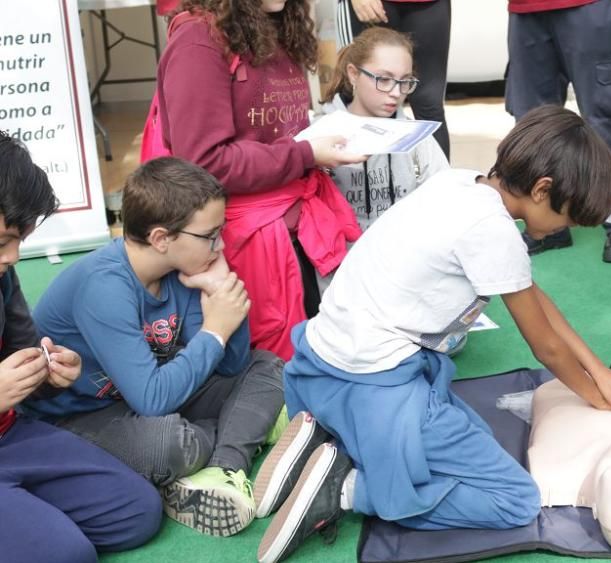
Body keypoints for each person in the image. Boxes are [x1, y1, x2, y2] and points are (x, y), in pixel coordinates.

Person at [251, 106, 611, 563]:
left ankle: (329, 445)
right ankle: (345, 488)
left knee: (473, 432)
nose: (566, 228)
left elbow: (530, 292)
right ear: (542, 189)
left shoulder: (460, 182)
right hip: (375, 386)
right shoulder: (494, 233)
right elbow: (545, 346)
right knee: (515, 499)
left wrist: (599, 371)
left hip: (321, 363)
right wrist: (596, 394)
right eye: (569, 218)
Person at [22, 158, 285, 537]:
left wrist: (221, 292)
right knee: (169, 445)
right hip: (80, 417)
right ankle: (240, 431)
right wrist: (214, 332)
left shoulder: (181, 269)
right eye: (210, 235)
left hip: (150, 395)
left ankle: (224, 467)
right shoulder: (105, 286)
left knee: (267, 367)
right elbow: (152, 400)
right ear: (162, 238)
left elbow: (232, 366)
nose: (221, 244)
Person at [156, 0, 365, 358]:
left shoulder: (278, 24)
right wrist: (305, 154)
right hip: (242, 240)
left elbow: (276, 133)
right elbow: (203, 162)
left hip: (300, 222)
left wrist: (318, 147)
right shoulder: (198, 40)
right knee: (274, 367)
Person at [0, 131, 162, 561]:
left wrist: (51, 374)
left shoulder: (1, 275)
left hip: (9, 437)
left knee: (138, 512)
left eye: (20, 239)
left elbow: (25, 356)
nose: (14, 257)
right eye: (3, 242)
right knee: (68, 553)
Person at [506, 0, 611, 263]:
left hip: (589, 5)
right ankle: (547, 222)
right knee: (532, 121)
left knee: (604, 115)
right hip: (525, 8)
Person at [318, 26, 449, 235]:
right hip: (343, 261)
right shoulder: (321, 133)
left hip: (405, 256)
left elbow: (445, 197)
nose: (396, 93)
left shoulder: (416, 136)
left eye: (405, 81)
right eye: (384, 79)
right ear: (353, 74)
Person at [334, 0, 452, 158]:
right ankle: (342, 181)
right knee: (352, 95)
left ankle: (438, 180)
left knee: (429, 106)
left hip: (429, 5)